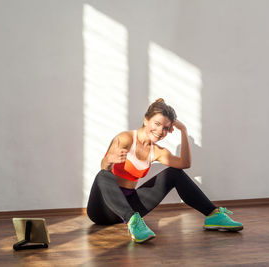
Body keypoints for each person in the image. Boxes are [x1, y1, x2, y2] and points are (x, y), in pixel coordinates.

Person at [86, 98, 243, 243]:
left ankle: (212, 215)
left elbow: (184, 163)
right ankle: (133, 222)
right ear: (146, 120)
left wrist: (183, 131)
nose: (161, 131)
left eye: (166, 128)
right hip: (101, 210)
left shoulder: (158, 151)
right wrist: (109, 160)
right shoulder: (125, 138)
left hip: (130, 208)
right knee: (103, 174)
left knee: (175, 173)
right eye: (157, 124)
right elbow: (104, 167)